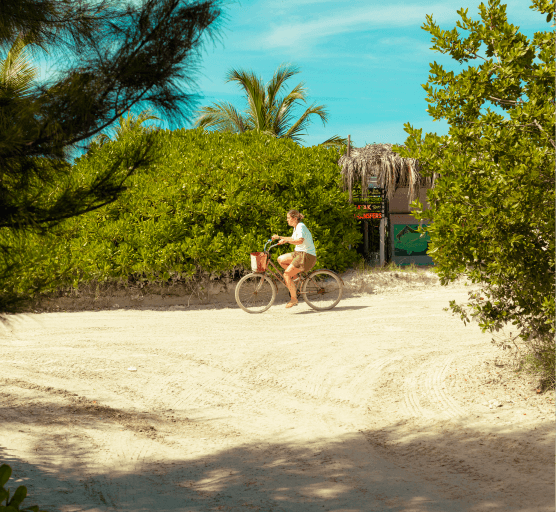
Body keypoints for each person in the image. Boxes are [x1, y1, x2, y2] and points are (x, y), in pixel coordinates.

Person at [271, 210, 317, 308]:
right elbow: (293, 239)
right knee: (280, 259)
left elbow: (300, 241)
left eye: (288, 218)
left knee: (286, 274)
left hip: (306, 255)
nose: (287, 220)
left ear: (295, 218)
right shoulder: (296, 227)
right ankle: (295, 278)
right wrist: (279, 237)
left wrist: (286, 241)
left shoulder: (300, 226)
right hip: (299, 253)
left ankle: (294, 299)